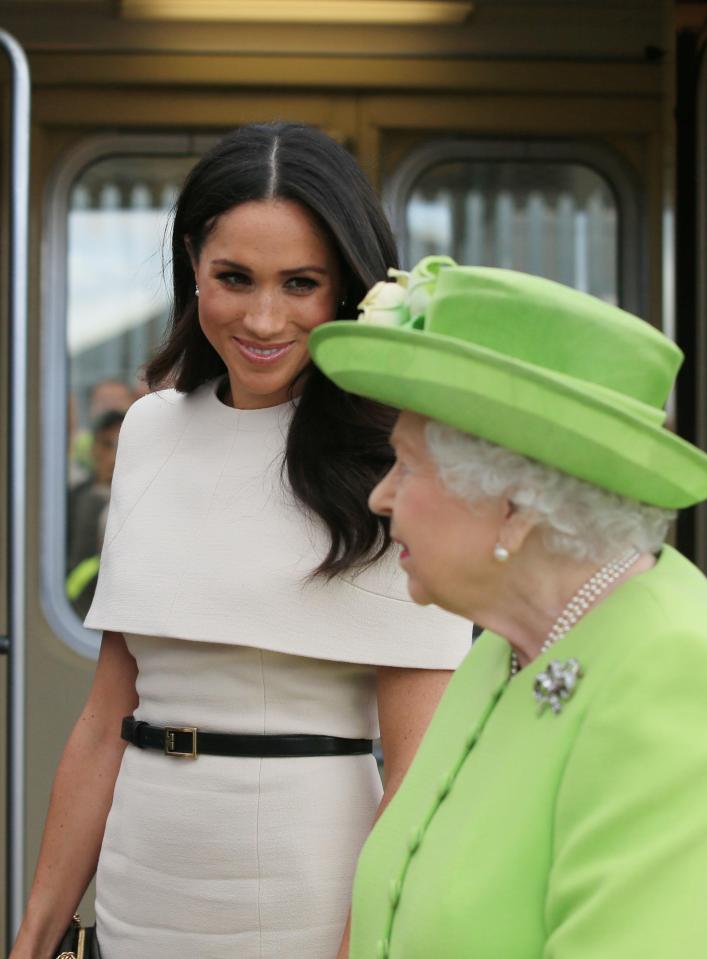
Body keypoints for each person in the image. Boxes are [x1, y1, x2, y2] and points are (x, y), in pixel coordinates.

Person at [11, 127, 471, 959]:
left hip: (305, 908)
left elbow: (417, 777)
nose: (264, 317)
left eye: (301, 283)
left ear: (346, 289)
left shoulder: (400, 459)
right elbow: (104, 718)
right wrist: (34, 937)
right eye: (235, 278)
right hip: (134, 899)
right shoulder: (150, 429)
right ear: (193, 264)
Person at [308, 257, 707, 958]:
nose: (379, 497)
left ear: (514, 507)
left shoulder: (680, 671)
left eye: (407, 465)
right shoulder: (503, 644)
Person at [67, 410, 125, 618]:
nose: (113, 456)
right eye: (106, 445)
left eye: (121, 446)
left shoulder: (142, 503)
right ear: (93, 449)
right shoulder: (71, 499)